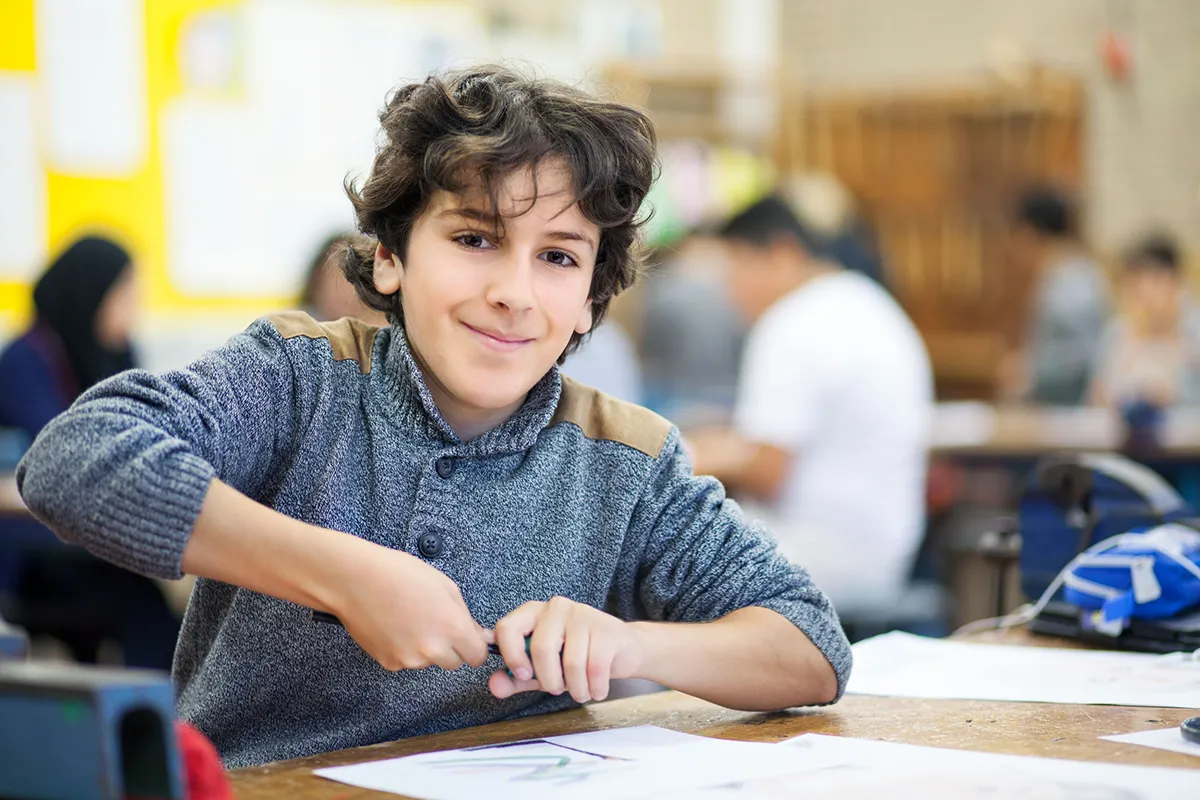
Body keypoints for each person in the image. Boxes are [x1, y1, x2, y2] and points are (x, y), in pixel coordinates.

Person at [18, 67, 850, 768]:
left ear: (590, 302)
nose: (514, 292)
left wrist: (630, 645)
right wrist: (345, 575)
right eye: (475, 238)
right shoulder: (302, 377)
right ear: (389, 257)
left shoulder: (625, 458)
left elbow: (810, 647)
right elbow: (75, 460)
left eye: (559, 256)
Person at [688, 196, 933, 614]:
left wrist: (687, 458)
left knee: (651, 562)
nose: (730, 294)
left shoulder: (793, 321)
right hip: (884, 551)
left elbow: (768, 472)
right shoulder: (868, 300)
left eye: (735, 270)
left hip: (819, 551)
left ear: (782, 255)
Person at [0, 235, 180, 669]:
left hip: (93, 536)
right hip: (36, 546)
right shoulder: (27, 359)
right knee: (143, 603)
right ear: (91, 291)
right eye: (124, 294)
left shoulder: (113, 355)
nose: (132, 308)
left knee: (155, 592)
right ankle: (163, 723)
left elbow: (147, 434)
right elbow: (62, 456)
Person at [1000, 187, 1110, 405]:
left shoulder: (1073, 282)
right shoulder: (1059, 276)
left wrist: (1030, 369)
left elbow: (1086, 354)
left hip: (1071, 413)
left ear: (1029, 233)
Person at [1089, 234, 1200, 408]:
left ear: (1176, 282)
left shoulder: (1193, 333)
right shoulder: (1116, 333)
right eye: (1135, 284)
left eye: (1156, 281)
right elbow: (1095, 396)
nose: (1146, 293)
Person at [300, 233, 389, 325]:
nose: (343, 293)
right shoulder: (301, 326)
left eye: (349, 281)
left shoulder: (378, 328)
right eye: (333, 280)